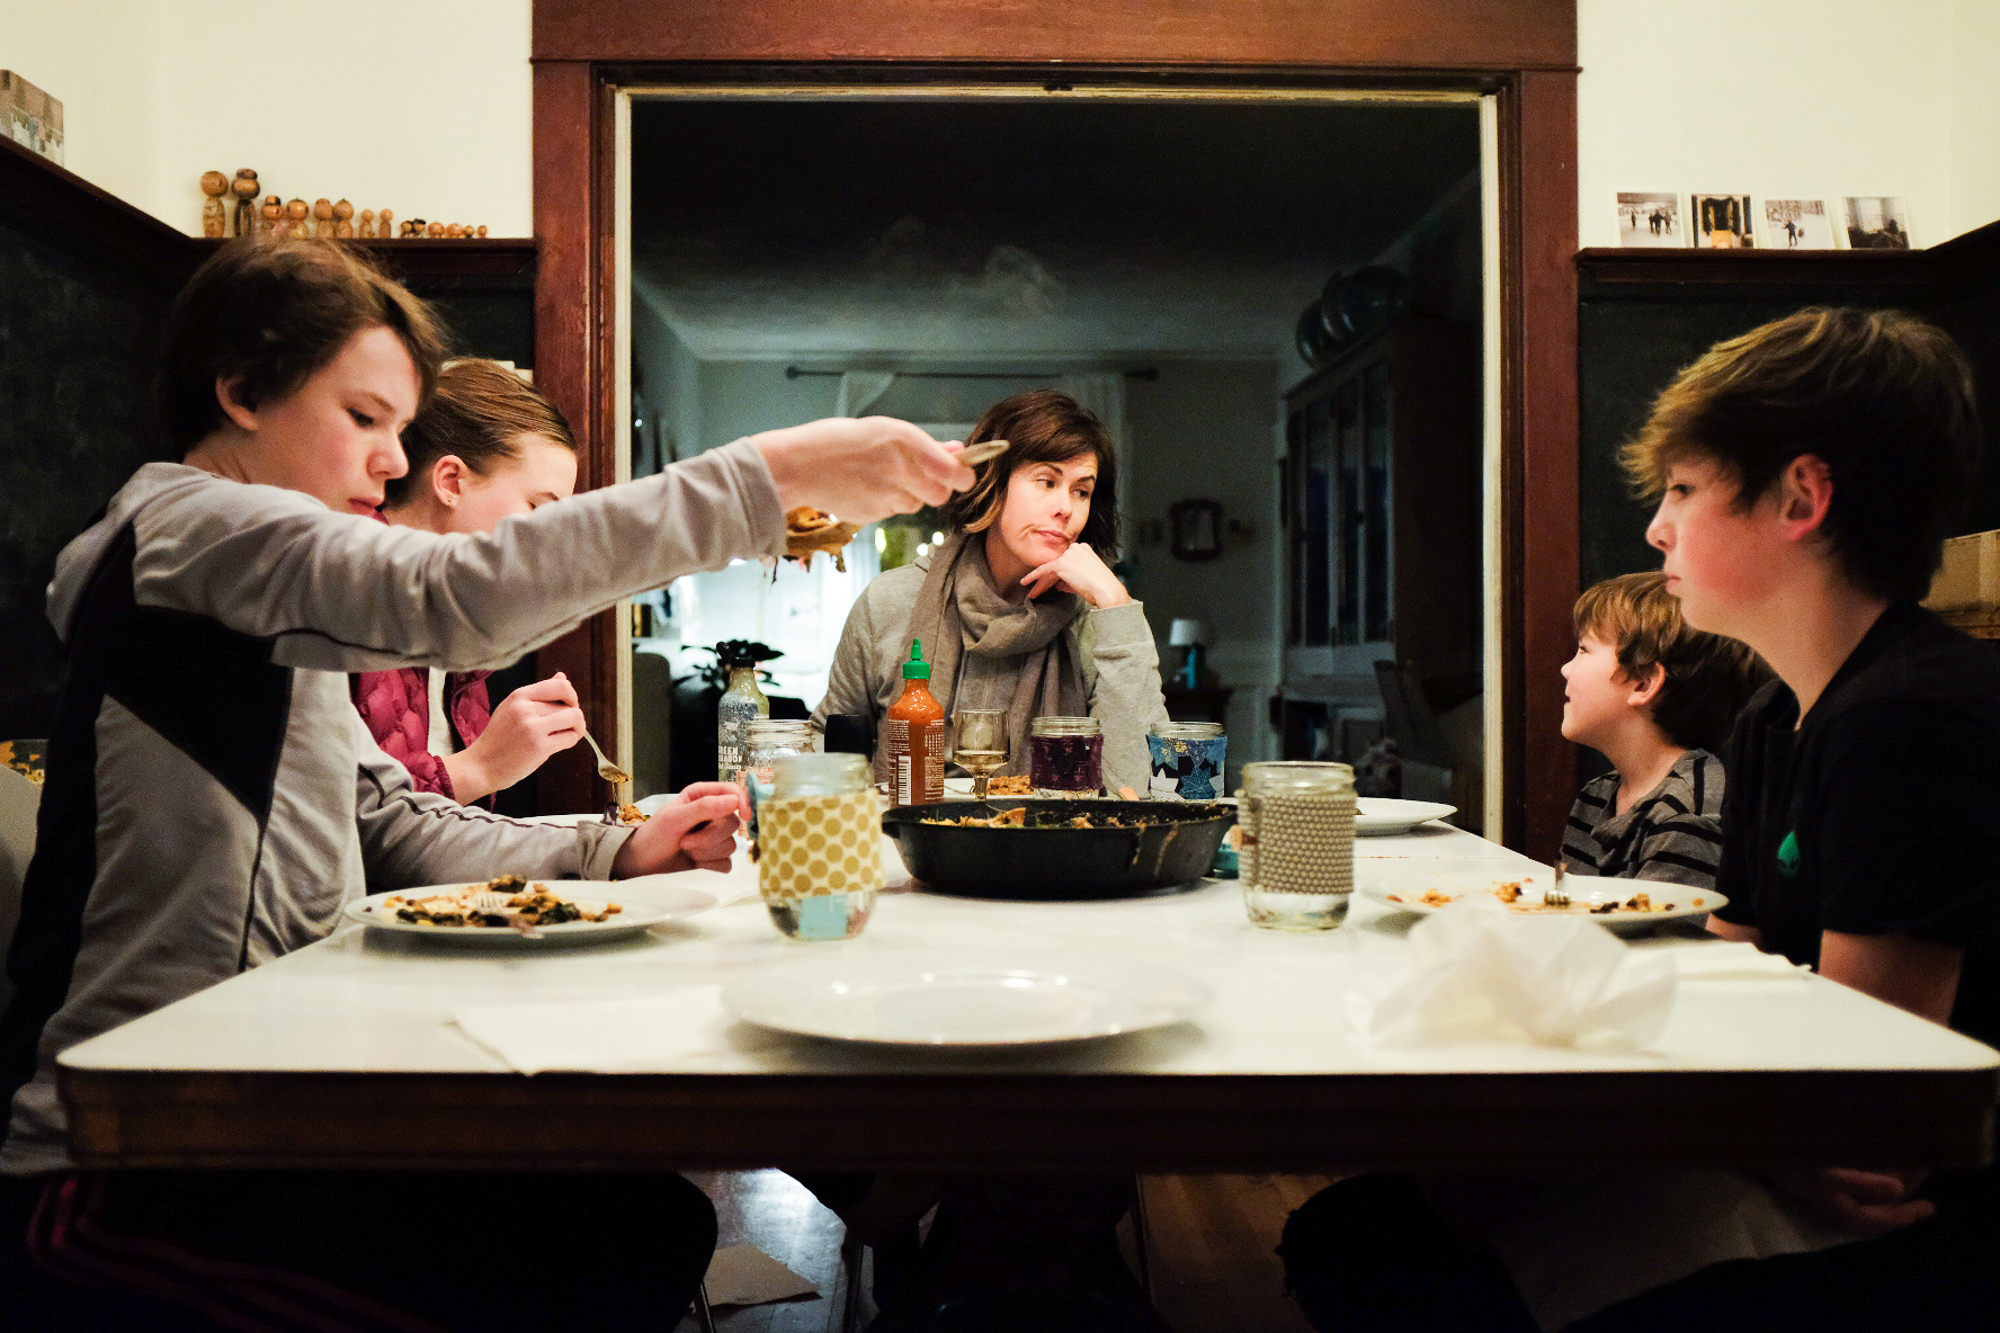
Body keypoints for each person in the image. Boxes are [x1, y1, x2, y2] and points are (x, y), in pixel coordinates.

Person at [0, 237, 974, 1333]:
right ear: (238, 392)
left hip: (265, 1105)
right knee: (575, 1267)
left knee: (638, 1230)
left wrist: (618, 848)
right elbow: (456, 595)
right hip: (125, 1153)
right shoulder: (184, 530)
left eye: (399, 429)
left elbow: (388, 817)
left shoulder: (258, 602)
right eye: (363, 417)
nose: (387, 462)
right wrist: (770, 476)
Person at [1283, 307, 2000, 1333]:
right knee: (1373, 1223)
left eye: (1681, 490)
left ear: (1799, 496)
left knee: (1388, 1260)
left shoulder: (1906, 720)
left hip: (1926, 1218)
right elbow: (1733, 954)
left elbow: (1866, 1115)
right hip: (1775, 1143)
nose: (1657, 528)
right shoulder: (1774, 713)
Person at [813, 388, 1168, 794]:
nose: (1066, 508)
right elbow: (828, 750)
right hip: (903, 845)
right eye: (1046, 481)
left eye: (1081, 491)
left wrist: (1117, 605)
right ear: (994, 483)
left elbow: (1138, 789)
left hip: (1050, 848)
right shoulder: (891, 601)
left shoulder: (1096, 623)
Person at [351, 357, 586, 806]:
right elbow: (335, 821)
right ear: (452, 482)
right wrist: (482, 765)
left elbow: (445, 834)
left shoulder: (462, 623)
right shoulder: (348, 599)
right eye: (539, 508)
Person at [1558, 571, 1764, 887]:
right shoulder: (1597, 796)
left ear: (1643, 683)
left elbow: (1664, 937)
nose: (1565, 668)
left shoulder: (1686, 819)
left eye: (1584, 649)